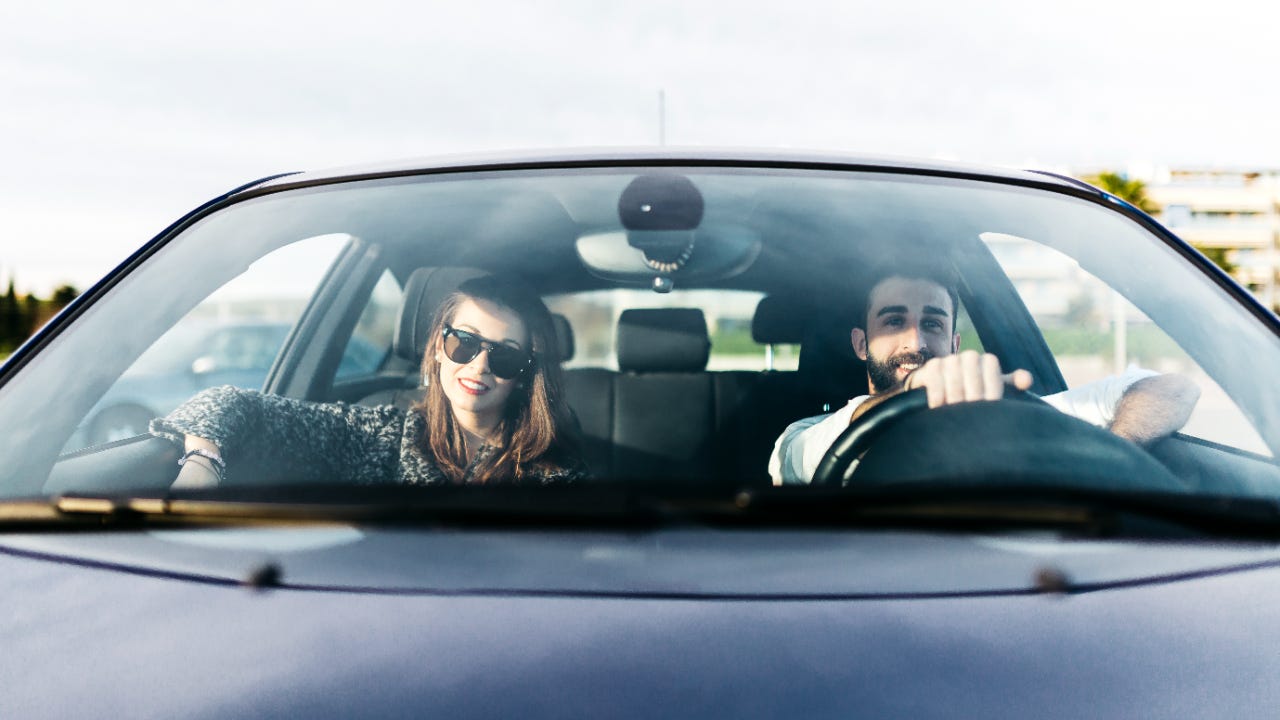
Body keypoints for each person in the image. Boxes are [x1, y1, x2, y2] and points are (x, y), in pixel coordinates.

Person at [768, 261, 1200, 485]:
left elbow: (1173, 389)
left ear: (955, 345)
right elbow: (797, 457)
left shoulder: (1014, 410)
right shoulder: (807, 436)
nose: (916, 343)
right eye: (894, 321)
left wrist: (1111, 456)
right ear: (861, 344)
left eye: (933, 323)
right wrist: (912, 394)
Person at [153, 275, 586, 488]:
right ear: (438, 345)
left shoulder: (557, 472)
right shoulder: (381, 435)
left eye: (505, 354)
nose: (480, 365)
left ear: (526, 372)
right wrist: (202, 464)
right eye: (465, 343)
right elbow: (228, 404)